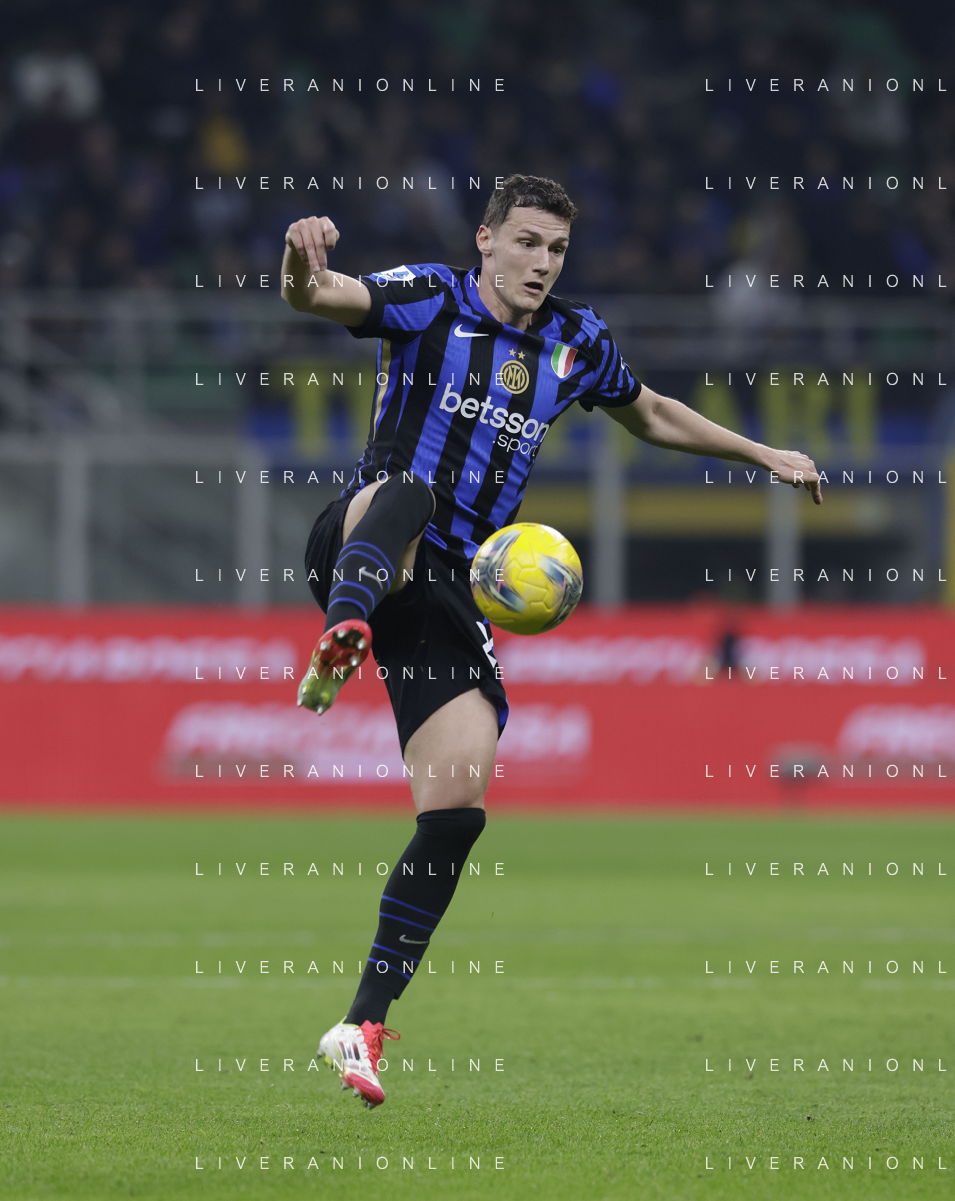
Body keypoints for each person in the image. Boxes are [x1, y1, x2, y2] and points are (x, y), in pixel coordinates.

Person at [280, 174, 821, 1109]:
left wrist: (761, 453)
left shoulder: (576, 343)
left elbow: (650, 411)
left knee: (456, 809)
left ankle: (358, 1024)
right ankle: (344, 628)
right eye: (526, 242)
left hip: (455, 591)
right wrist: (299, 259)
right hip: (366, 535)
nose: (541, 262)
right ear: (485, 239)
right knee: (410, 491)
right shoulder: (428, 296)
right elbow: (320, 295)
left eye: (556, 249)